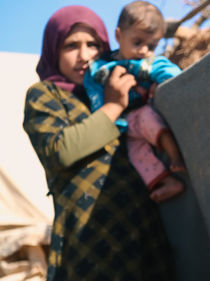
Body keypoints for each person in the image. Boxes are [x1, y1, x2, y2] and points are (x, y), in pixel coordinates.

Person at [23, 6, 174, 280]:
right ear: (53, 48)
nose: (84, 56)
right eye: (71, 46)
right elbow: (59, 151)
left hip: (144, 232)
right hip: (88, 241)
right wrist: (114, 106)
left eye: (92, 44)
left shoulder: (122, 83)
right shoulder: (45, 94)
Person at [83, 1, 185, 203]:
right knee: (137, 155)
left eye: (152, 46)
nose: (144, 50)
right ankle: (167, 182)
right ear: (119, 36)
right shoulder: (100, 69)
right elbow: (95, 96)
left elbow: (170, 72)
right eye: (137, 42)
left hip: (143, 112)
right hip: (124, 124)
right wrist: (112, 121)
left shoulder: (148, 63)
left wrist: (163, 84)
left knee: (150, 120)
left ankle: (175, 158)